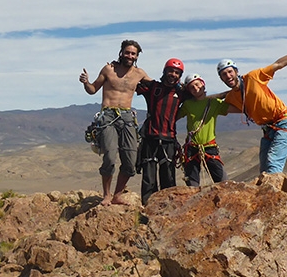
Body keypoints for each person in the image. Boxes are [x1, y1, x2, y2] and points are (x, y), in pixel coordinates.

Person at [218, 33, 287, 174]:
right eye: (224, 74)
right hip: (268, 129)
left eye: (229, 72)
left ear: (236, 71)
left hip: (283, 122)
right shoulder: (231, 97)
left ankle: (276, 195)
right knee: (264, 169)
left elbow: (278, 64)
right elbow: (214, 104)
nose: (228, 76)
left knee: (273, 164)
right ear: (221, 79)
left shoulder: (253, 77)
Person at [80, 40, 151, 205]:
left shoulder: (139, 73)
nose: (130, 56)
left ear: (137, 56)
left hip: (127, 117)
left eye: (133, 54)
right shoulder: (108, 69)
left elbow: (156, 87)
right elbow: (92, 90)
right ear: (121, 52)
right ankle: (106, 195)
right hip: (108, 116)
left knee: (130, 160)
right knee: (110, 156)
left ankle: (118, 195)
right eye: (127, 52)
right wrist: (85, 82)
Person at [135, 58, 185, 204]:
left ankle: (168, 207)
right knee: (149, 177)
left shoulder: (181, 92)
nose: (173, 74)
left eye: (177, 72)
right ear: (165, 71)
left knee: (168, 177)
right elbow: (131, 83)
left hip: (169, 140)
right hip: (150, 138)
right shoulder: (153, 88)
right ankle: (148, 207)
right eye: (171, 71)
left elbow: (199, 96)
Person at [177, 73, 229, 186]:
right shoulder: (187, 104)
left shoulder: (214, 103)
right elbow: (173, 117)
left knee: (223, 183)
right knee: (192, 184)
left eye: (197, 84)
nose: (195, 88)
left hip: (210, 147)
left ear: (203, 84)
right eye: (191, 87)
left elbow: (234, 108)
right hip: (192, 148)